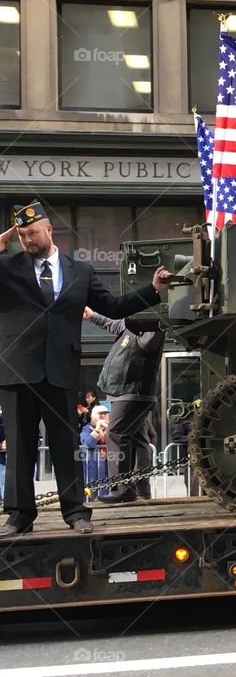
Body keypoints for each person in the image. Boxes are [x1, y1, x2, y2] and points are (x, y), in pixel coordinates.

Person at [0, 200, 172, 538]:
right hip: (17, 370)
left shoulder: (80, 271)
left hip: (60, 369)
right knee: (20, 446)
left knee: (66, 444)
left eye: (33, 233)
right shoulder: (7, 268)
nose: (28, 240)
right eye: (22, 235)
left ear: (50, 230)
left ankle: (76, 511)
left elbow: (113, 306)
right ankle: (19, 516)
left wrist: (153, 290)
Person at [84, 309, 163, 503]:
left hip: (131, 393)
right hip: (125, 393)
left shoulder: (152, 330)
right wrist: (92, 315)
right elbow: (110, 322)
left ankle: (122, 488)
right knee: (137, 437)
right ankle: (141, 488)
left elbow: (146, 344)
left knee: (115, 434)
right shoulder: (127, 326)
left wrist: (145, 322)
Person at [79, 404, 110, 500]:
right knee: (92, 494)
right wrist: (97, 429)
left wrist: (108, 428)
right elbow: (88, 443)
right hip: (92, 467)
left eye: (106, 413)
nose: (104, 416)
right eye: (101, 414)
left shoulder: (113, 428)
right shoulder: (87, 429)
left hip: (109, 466)